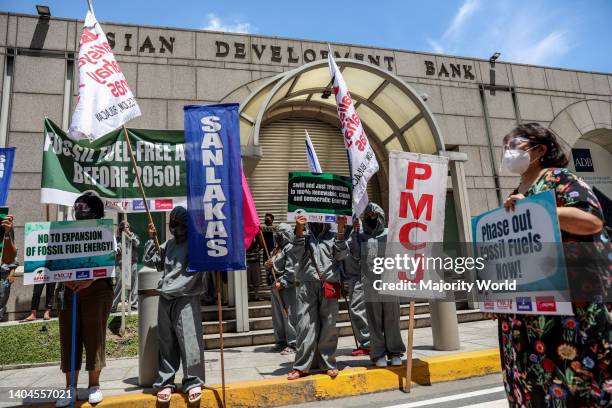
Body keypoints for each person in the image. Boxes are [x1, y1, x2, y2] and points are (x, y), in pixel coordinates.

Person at [496, 123, 611, 407]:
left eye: (515, 145)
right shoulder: (519, 189)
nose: (508, 152)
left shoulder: (560, 178)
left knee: (571, 380)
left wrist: (535, 208)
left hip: (569, 307)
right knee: (532, 381)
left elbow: (592, 220)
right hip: (530, 311)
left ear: (539, 150)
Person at [55, 193, 113, 407]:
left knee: (94, 336)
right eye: (77, 207)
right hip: (69, 290)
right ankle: (70, 387)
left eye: (85, 208)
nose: (80, 211)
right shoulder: (65, 232)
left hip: (97, 290)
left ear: (96, 212)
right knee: (69, 336)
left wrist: (88, 280)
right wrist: (66, 279)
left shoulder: (106, 231)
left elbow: (109, 258)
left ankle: (94, 385)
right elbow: (56, 259)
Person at [143, 206, 204, 404]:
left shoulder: (196, 244)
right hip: (166, 296)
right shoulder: (168, 244)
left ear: (186, 224)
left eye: (177, 222)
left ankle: (193, 380)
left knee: (189, 339)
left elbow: (203, 264)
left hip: (186, 295)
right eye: (172, 222)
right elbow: (155, 263)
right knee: (166, 341)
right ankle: (166, 381)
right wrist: (152, 239)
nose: (173, 226)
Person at [287, 215, 348, 380]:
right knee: (305, 325)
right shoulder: (302, 235)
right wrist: (299, 229)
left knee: (329, 325)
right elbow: (295, 254)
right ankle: (301, 366)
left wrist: (341, 231)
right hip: (307, 285)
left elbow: (342, 255)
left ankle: (328, 363)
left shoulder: (333, 235)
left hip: (330, 284)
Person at [349, 203, 405, 367]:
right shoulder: (360, 236)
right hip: (370, 284)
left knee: (391, 318)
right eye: (368, 216)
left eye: (375, 215)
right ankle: (378, 353)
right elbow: (355, 255)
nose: (372, 219)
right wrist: (353, 233)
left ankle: (395, 352)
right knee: (373, 320)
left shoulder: (390, 234)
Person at [265, 223, 297, 354]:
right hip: (275, 285)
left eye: (279, 235)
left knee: (288, 315)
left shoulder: (290, 248)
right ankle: (281, 341)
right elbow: (272, 265)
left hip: (285, 287)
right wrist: (268, 264)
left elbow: (292, 269)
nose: (276, 237)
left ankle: (294, 343)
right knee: (277, 316)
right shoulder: (276, 249)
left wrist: (283, 282)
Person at [342, 217, 371, 356]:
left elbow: (358, 254)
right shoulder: (344, 234)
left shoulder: (359, 234)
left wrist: (356, 232)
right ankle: (367, 342)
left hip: (361, 277)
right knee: (358, 309)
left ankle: (367, 343)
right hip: (352, 277)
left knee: (356, 308)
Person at [111, 220, 140, 312]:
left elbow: (137, 243)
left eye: (128, 227)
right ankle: (113, 305)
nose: (127, 228)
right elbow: (116, 250)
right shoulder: (118, 239)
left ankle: (133, 304)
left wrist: (130, 236)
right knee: (120, 283)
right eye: (125, 227)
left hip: (132, 262)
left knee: (134, 283)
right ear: (121, 228)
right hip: (121, 263)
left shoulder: (133, 236)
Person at [0, 214, 18, 321]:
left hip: (4, 271)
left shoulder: (6, 222)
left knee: (2, 296)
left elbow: (13, 248)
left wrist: (12, 272)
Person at [261, 213, 276, 285]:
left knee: (275, 270)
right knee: (267, 271)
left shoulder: (276, 229)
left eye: (268, 219)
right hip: (266, 253)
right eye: (265, 219)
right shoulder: (262, 229)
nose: (266, 220)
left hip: (275, 253)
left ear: (272, 220)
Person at [246, 236, 262, 301]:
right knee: (247, 280)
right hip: (247, 260)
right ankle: (247, 296)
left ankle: (256, 296)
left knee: (256, 279)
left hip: (255, 260)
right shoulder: (245, 235)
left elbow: (261, 245)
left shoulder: (257, 236)